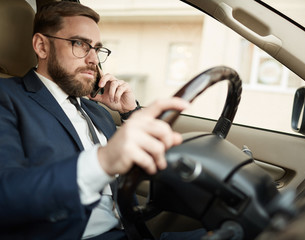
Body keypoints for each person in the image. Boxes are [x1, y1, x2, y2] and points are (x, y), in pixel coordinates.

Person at [0, 1, 205, 239]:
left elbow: (144, 168)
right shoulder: (7, 98)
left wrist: (129, 112)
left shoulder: (97, 110)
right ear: (42, 46)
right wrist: (103, 160)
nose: (93, 59)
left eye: (97, 49)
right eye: (80, 44)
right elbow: (6, 194)